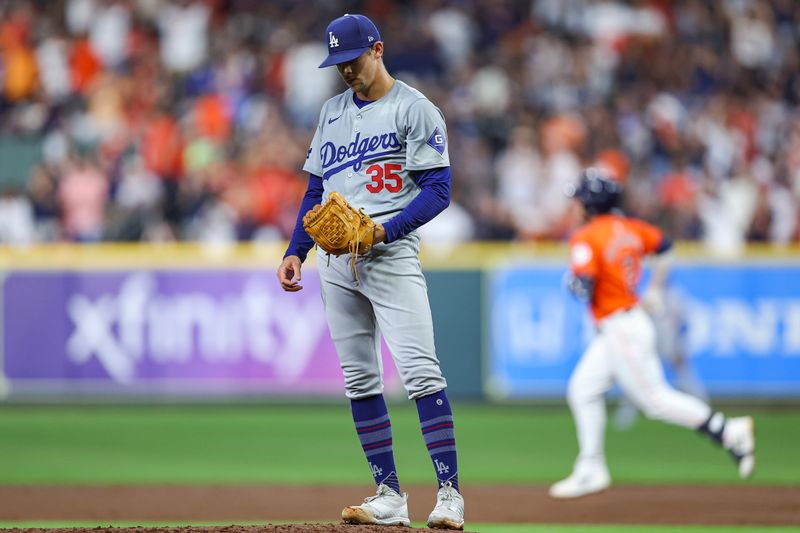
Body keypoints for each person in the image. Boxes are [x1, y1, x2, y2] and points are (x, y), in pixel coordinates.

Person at [276, 14, 465, 530]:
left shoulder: (415, 108)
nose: (345, 72)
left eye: (352, 60)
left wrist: (386, 231)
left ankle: (449, 495)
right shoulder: (331, 112)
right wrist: (298, 249)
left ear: (377, 50)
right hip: (337, 262)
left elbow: (438, 191)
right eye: (337, 64)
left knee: (422, 372)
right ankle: (389, 495)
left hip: (390, 254)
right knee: (360, 379)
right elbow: (315, 193)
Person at [550, 167, 756, 499]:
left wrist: (570, 281)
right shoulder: (630, 228)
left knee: (655, 400)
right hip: (626, 323)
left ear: (590, 204)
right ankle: (591, 467)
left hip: (621, 327)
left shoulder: (586, 236)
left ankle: (728, 431)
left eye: (580, 200)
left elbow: (583, 287)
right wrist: (656, 287)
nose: (576, 206)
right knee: (583, 388)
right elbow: (666, 247)